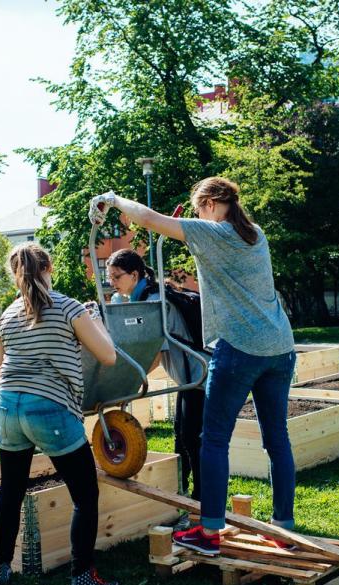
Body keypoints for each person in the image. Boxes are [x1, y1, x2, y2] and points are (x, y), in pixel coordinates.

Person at [90, 177, 296, 555]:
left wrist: (114, 198)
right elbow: (164, 223)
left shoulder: (214, 233)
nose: (199, 213)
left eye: (200, 207)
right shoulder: (256, 236)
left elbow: (150, 219)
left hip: (240, 350)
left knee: (213, 440)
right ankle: (283, 525)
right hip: (280, 348)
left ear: (215, 203)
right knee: (276, 438)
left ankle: (209, 532)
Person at [0, 242, 120, 585]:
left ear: (15, 274)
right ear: (49, 268)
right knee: (85, 494)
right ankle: (82, 578)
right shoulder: (69, 307)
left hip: (6, 406)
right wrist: (94, 318)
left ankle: (1, 571)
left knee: (11, 490)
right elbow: (108, 355)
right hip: (48, 407)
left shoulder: (7, 314)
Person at [105, 249, 205, 503]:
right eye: (110, 277)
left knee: (192, 438)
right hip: (189, 378)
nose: (111, 283)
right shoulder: (149, 297)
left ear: (134, 274)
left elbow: (154, 357)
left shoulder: (154, 302)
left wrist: (126, 384)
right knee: (181, 436)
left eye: (116, 277)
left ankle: (202, 497)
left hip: (200, 376)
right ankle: (180, 490)